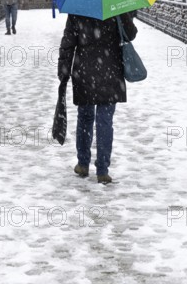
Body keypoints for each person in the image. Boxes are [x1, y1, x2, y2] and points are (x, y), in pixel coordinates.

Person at [58, 11, 138, 184]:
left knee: (85, 118)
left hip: (84, 71)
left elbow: (68, 42)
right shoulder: (116, 6)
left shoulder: (78, 8)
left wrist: (64, 69)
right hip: (111, 69)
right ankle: (102, 169)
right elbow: (130, 34)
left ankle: (83, 163)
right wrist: (125, 15)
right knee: (105, 121)